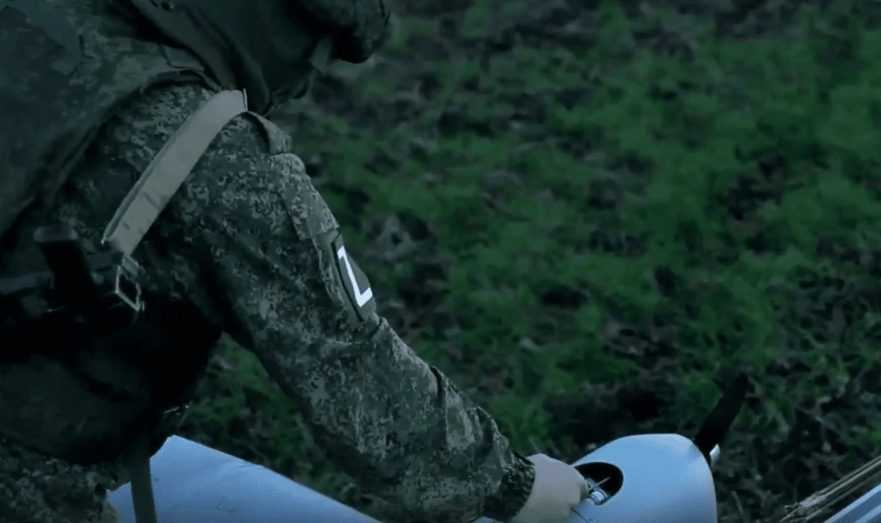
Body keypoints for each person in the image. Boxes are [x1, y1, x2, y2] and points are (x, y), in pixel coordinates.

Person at [0, 1, 588, 522]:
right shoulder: (221, 160)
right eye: (313, 44)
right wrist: (513, 486)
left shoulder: (38, 18)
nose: (309, 79)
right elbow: (359, 377)